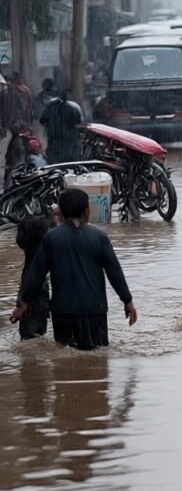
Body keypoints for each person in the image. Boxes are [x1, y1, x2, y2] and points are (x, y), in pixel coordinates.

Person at [10, 187, 137, 350]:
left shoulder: (51, 238)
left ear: (61, 212)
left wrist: (24, 304)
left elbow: (36, 275)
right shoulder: (100, 238)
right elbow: (115, 273)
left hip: (62, 312)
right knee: (96, 357)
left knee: (65, 359)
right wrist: (127, 301)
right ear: (86, 211)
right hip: (94, 310)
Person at [15, 213, 55, 340]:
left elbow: (31, 284)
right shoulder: (41, 256)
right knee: (37, 337)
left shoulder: (33, 263)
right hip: (39, 305)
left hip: (31, 306)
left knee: (29, 339)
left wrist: (22, 305)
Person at [39, 89, 83, 164]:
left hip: (56, 147)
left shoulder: (50, 106)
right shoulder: (75, 107)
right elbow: (80, 124)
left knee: (55, 170)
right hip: (70, 148)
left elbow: (42, 121)